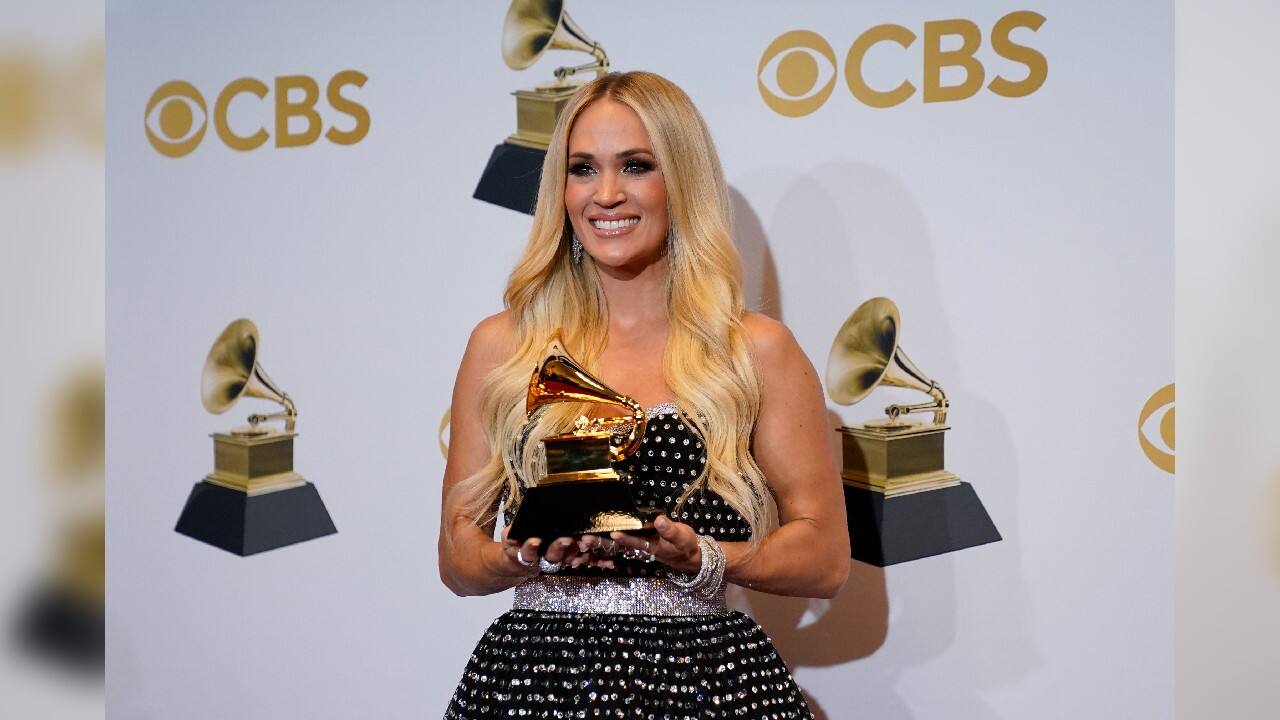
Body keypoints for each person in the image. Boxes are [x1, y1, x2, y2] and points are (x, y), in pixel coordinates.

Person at [439, 70, 850, 718]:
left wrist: (705, 556)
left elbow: (823, 560)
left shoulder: (754, 351)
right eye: (582, 169)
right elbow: (458, 555)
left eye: (635, 166)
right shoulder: (506, 347)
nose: (605, 194)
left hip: (704, 682)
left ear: (680, 179)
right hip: (531, 686)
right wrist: (522, 556)